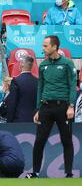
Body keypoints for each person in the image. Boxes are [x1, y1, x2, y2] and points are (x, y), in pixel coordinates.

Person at [26, 35, 77, 178]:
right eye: (43, 45)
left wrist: (71, 106)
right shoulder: (43, 65)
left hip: (63, 107)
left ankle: (68, 173)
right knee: (39, 140)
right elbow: (40, 87)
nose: (43, 48)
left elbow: (72, 85)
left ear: (54, 47)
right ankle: (35, 172)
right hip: (46, 107)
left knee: (66, 140)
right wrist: (38, 109)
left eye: (45, 46)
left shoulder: (67, 63)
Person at [6, 56, 38, 123]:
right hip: (35, 120)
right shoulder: (37, 81)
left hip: (19, 121)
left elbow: (12, 103)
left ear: (22, 64)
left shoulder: (16, 81)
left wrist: (9, 121)